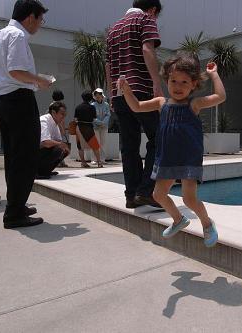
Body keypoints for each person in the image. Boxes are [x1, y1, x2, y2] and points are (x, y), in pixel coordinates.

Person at [117, 54, 226, 247]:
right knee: (158, 195)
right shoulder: (161, 103)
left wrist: (214, 74)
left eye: (184, 82)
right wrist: (126, 91)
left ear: (193, 84)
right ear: (166, 80)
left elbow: (220, 97)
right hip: (166, 158)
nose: (178, 86)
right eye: (173, 80)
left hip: (188, 159)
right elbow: (137, 106)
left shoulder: (194, 104)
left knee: (189, 199)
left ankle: (207, 224)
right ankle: (178, 219)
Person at [0, 0, 52, 229]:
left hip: (5, 101)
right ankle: (14, 212)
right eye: (40, 19)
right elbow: (16, 70)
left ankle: (17, 204)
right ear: (30, 18)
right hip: (19, 100)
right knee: (25, 157)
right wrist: (40, 80)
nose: (40, 25)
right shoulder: (17, 36)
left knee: (14, 157)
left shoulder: (0, 35)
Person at [106, 0, 163, 209]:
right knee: (160, 139)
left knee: (128, 146)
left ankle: (131, 195)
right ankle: (146, 191)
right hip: (141, 91)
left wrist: (113, 93)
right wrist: (157, 83)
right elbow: (148, 49)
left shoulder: (113, 29)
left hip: (120, 93)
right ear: (153, 9)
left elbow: (108, 64)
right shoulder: (145, 19)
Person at [37, 101, 70, 179]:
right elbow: (45, 143)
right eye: (62, 114)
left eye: (65, 115)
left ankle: (45, 171)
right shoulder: (44, 120)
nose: (63, 117)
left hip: (40, 151)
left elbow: (59, 140)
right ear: (53, 112)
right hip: (32, 153)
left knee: (63, 150)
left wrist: (64, 147)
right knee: (58, 149)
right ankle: (37, 171)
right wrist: (60, 144)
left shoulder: (55, 122)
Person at [75, 90, 102, 168]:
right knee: (95, 146)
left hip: (79, 127)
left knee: (80, 147)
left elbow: (75, 119)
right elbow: (94, 118)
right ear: (90, 98)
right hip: (89, 127)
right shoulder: (92, 107)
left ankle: (83, 162)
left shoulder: (78, 107)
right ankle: (99, 162)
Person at [91, 88, 111, 165]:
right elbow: (92, 117)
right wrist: (99, 122)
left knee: (103, 143)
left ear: (102, 96)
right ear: (94, 97)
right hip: (95, 127)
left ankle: (102, 159)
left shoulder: (106, 104)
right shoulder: (92, 105)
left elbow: (108, 114)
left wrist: (103, 122)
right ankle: (94, 159)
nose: (98, 97)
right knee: (96, 143)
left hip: (104, 127)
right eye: (96, 96)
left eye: (99, 96)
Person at [51, 89, 69, 167]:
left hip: (52, 126)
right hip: (58, 126)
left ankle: (58, 161)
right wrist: (63, 128)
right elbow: (61, 119)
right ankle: (61, 161)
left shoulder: (51, 105)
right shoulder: (61, 106)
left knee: (55, 144)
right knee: (60, 143)